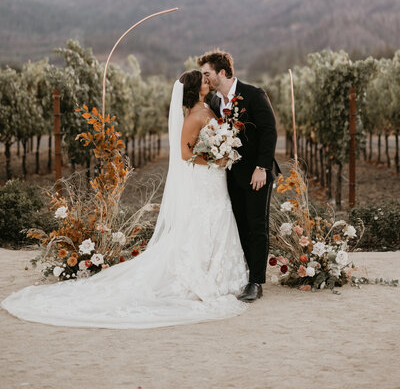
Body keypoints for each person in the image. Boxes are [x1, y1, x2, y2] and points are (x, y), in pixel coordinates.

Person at [1, 71, 248, 329]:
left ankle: (221, 272)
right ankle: (203, 274)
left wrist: (224, 150)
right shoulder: (193, 116)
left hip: (215, 179)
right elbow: (186, 153)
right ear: (195, 88)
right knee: (203, 220)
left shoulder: (210, 107)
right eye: (203, 80)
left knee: (218, 217)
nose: (207, 81)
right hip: (205, 177)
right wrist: (215, 158)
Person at [198, 50, 278, 302]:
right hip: (229, 175)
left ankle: (256, 282)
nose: (205, 78)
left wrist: (262, 168)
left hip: (257, 173)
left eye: (207, 73)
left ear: (222, 72)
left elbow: (269, 131)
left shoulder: (254, 94)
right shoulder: (214, 103)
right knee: (239, 225)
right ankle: (244, 274)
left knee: (257, 225)